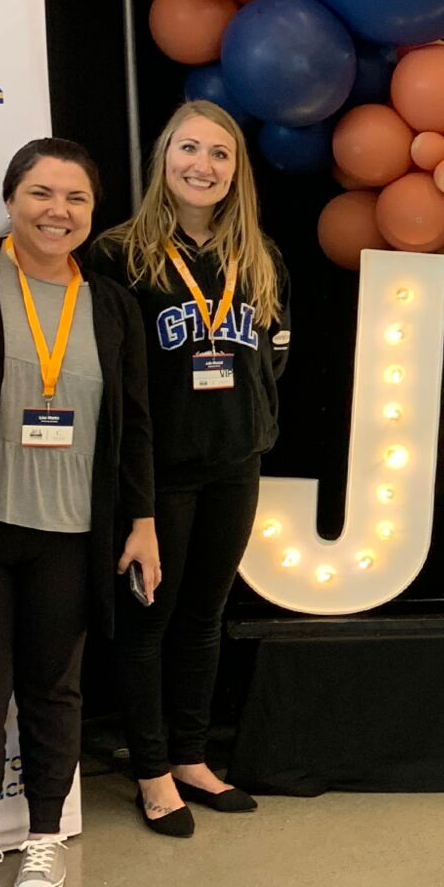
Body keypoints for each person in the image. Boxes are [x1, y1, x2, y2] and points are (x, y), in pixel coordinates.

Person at [0, 140, 161, 887]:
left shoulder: (113, 304)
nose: (57, 211)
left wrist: (143, 518)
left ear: (94, 212)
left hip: (72, 532)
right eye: (40, 193)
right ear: (10, 197)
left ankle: (48, 832)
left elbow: (135, 423)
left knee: (55, 690)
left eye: (76, 198)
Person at [90, 101, 289, 837]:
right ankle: (149, 770)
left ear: (237, 170)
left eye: (220, 153)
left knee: (205, 615)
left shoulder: (259, 254)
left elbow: (274, 355)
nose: (202, 165)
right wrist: (133, 492)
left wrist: (254, 428)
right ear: (163, 158)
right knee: (150, 622)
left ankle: (191, 755)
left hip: (235, 465)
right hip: (156, 474)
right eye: (188, 148)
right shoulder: (120, 254)